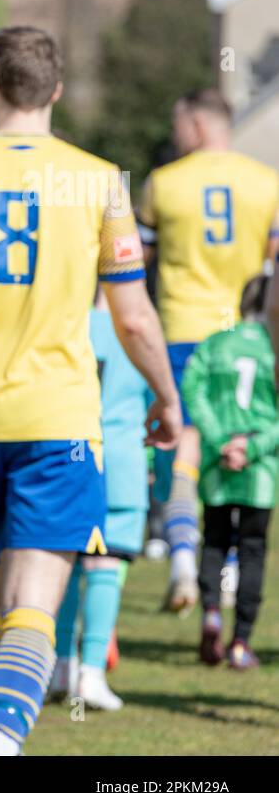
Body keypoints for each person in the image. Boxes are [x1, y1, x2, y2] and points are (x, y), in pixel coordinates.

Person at [0, 27, 179, 755]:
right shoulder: (100, 179)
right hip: (57, 418)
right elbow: (134, 314)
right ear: (55, 91)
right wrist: (165, 397)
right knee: (33, 605)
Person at [139, 89, 279, 613]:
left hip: (181, 329)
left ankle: (180, 557)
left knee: (185, 450)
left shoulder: (164, 182)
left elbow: (138, 261)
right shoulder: (266, 182)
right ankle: (228, 573)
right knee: (242, 448)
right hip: (245, 336)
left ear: (197, 126)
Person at [51, 288, 154, 712]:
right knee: (105, 566)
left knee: (66, 564)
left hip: (71, 455)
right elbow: (154, 403)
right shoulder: (140, 331)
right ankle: (91, 672)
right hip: (122, 459)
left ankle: (59, 664)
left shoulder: (66, 324)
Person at [181, 274, 276, 671]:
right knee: (252, 550)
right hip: (260, 469)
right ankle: (240, 642)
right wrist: (250, 446)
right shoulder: (273, 349)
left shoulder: (216, 343)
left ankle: (211, 614)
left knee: (216, 541)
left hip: (218, 465)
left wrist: (220, 439)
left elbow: (191, 388)